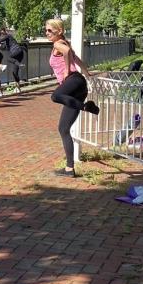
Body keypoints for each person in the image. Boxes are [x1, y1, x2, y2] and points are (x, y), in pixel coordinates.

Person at [45, 18, 100, 176]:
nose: (47, 33)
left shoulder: (58, 44)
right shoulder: (65, 43)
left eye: (50, 30)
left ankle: (85, 107)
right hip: (78, 86)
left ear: (59, 31)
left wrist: (67, 72)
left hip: (73, 81)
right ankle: (69, 168)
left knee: (56, 95)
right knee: (63, 129)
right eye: (46, 30)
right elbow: (77, 58)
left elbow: (69, 54)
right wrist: (87, 72)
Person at [0, 27, 26, 93]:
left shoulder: (8, 36)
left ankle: (19, 64)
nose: (2, 35)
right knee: (15, 72)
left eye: (2, 33)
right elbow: (2, 47)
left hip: (16, 52)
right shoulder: (6, 41)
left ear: (5, 31)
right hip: (19, 54)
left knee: (8, 58)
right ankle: (18, 88)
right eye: (1, 34)